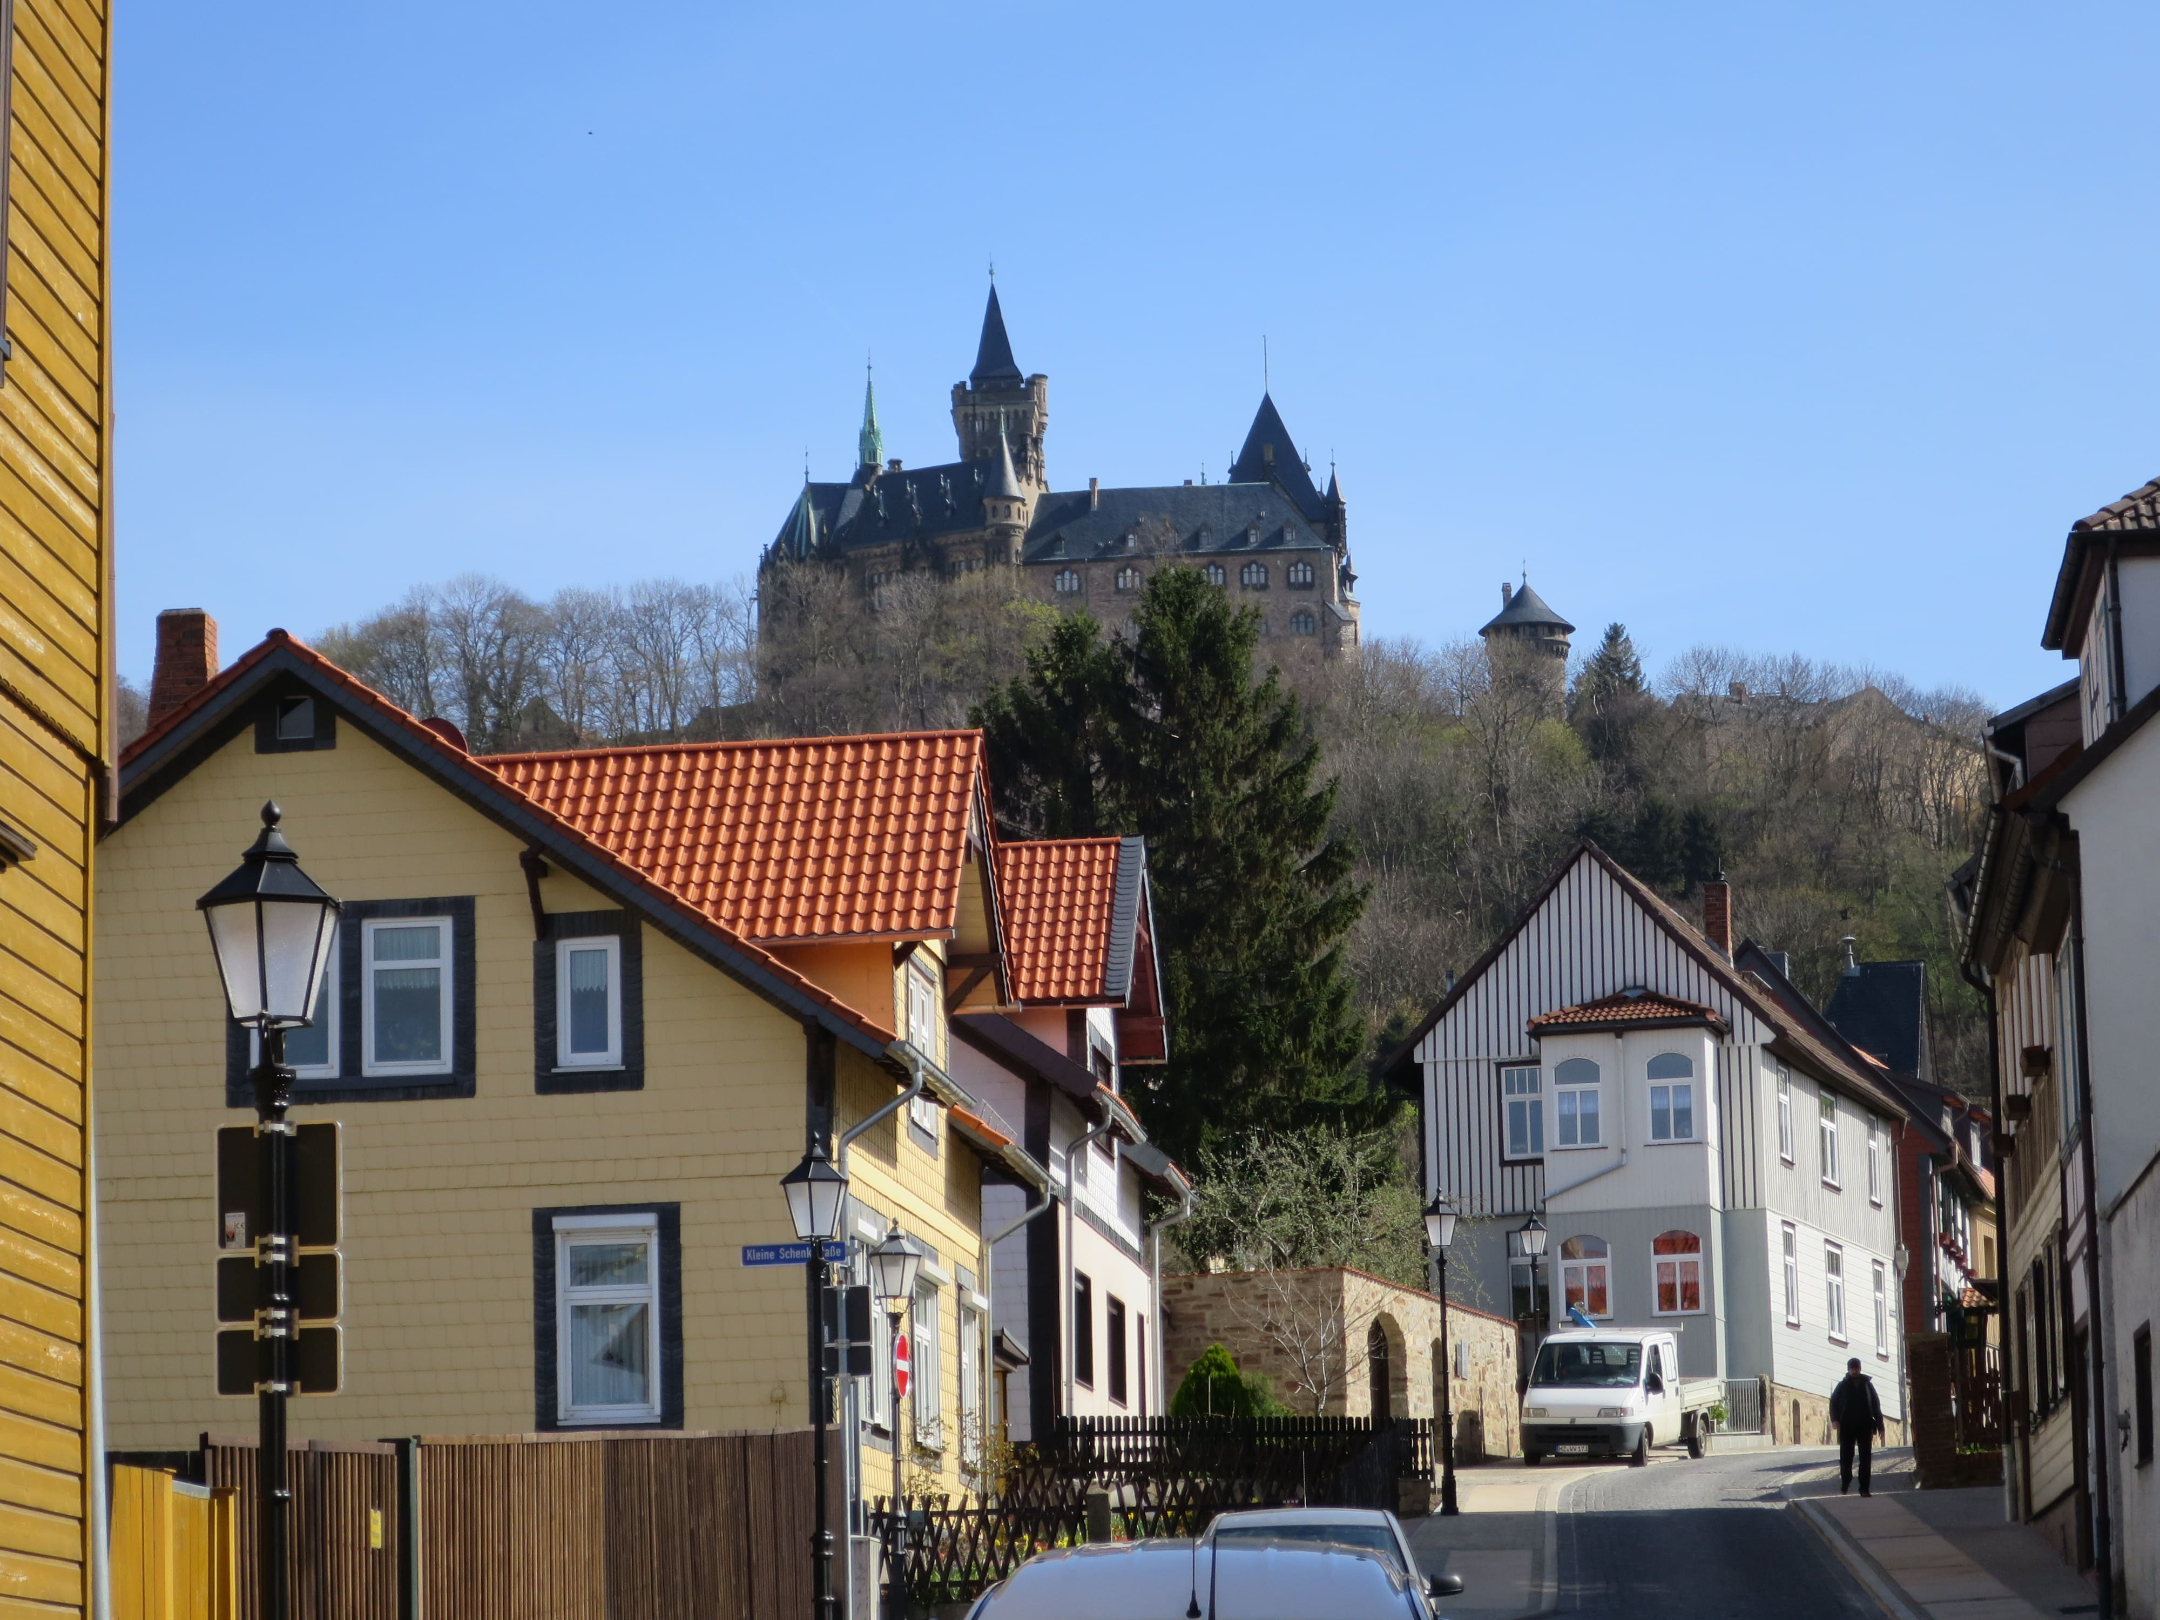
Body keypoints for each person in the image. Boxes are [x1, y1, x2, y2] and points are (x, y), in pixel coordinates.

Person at [1829, 1356, 1885, 1495]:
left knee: (1865, 1458)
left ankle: (1864, 1488)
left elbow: (1875, 1405)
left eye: (1856, 1369)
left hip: (1865, 1425)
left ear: (1860, 1369)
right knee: (1846, 1457)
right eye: (1852, 1369)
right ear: (1848, 1370)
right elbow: (1833, 1402)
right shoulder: (1842, 1386)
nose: (1854, 1371)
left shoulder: (1867, 1385)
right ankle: (1846, 1481)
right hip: (1847, 1426)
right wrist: (1834, 1419)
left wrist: (1880, 1425)